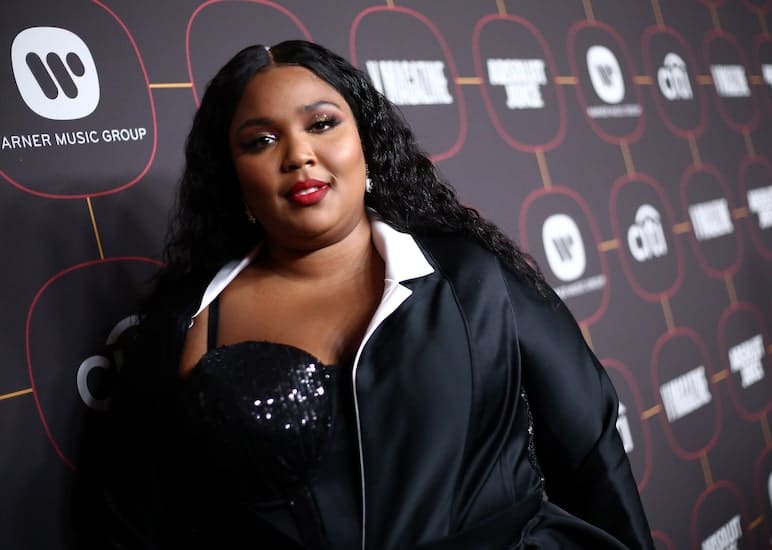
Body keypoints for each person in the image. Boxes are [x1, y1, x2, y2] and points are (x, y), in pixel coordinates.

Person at [97, 40, 654, 549]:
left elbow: (590, 450)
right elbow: (134, 516)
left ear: (364, 142)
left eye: (321, 124)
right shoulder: (186, 322)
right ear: (233, 176)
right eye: (261, 140)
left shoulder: (474, 277)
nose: (298, 154)